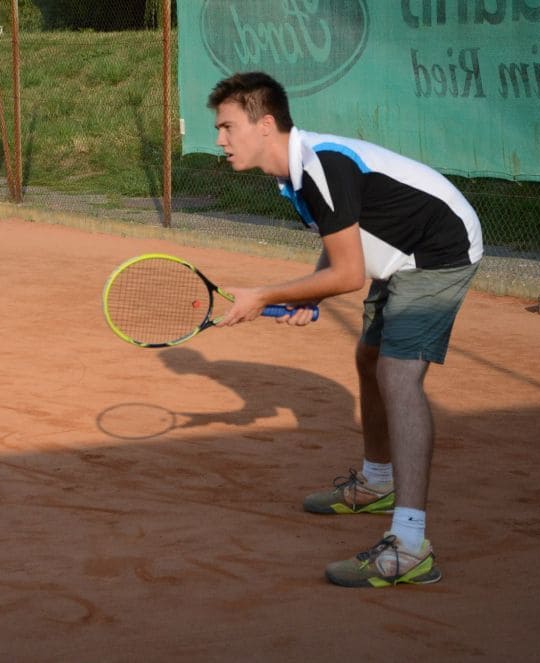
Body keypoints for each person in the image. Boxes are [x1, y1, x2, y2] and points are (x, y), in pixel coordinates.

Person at [206, 72, 483, 588]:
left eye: (227, 127)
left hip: (438, 249)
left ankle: (410, 545)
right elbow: (340, 242)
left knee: (399, 375)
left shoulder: (319, 165)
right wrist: (311, 290)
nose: (219, 140)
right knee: (368, 358)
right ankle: (376, 482)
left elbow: (350, 275)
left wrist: (266, 294)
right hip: (397, 252)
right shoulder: (292, 173)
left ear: (265, 124)